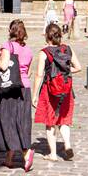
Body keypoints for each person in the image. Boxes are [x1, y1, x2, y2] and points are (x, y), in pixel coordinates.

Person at [32, 21, 81, 160]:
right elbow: (78, 67)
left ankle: (53, 154)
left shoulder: (44, 53)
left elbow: (39, 75)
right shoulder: (68, 49)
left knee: (50, 122)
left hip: (49, 90)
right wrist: (64, 71)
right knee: (63, 120)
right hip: (66, 90)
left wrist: (34, 95)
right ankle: (67, 144)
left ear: (47, 37)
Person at [0, 18, 34, 171]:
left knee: (7, 120)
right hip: (25, 88)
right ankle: (9, 159)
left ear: (11, 31)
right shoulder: (28, 50)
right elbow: (28, 72)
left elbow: (3, 67)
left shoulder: (7, 46)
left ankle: (26, 153)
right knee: (21, 121)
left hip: (10, 89)